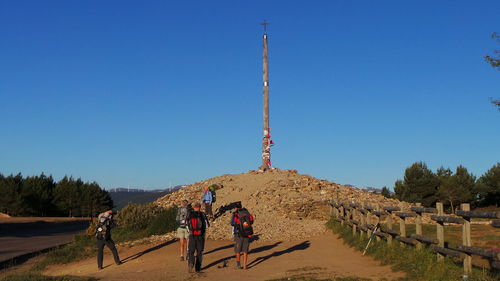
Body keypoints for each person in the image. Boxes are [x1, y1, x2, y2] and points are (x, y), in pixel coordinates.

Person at [230, 203, 254, 269]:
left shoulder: (236, 214)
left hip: (238, 233)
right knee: (245, 250)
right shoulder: (247, 212)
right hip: (247, 233)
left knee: (237, 250)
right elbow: (251, 221)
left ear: (236, 208)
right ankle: (244, 265)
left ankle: (238, 265)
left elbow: (232, 223)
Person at [187, 203, 209, 273]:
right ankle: (198, 268)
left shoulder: (190, 215)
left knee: (191, 251)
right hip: (200, 236)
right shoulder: (202, 214)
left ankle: (191, 263)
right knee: (199, 252)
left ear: (194, 207)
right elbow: (207, 225)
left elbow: (186, 225)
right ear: (200, 207)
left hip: (192, 235)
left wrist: (190, 231)